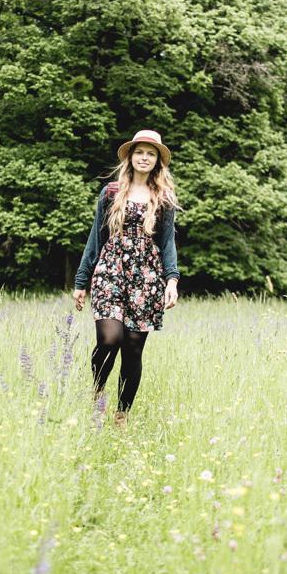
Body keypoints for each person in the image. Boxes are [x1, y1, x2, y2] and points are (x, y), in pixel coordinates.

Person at [73, 129, 180, 428]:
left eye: (150, 154)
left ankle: (121, 416)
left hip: (146, 277)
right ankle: (97, 394)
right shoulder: (111, 192)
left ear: (157, 160)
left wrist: (171, 280)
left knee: (132, 349)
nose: (144, 158)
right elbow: (96, 237)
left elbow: (167, 243)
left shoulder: (163, 198)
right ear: (130, 157)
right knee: (109, 339)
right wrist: (81, 280)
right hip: (110, 269)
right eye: (139, 152)